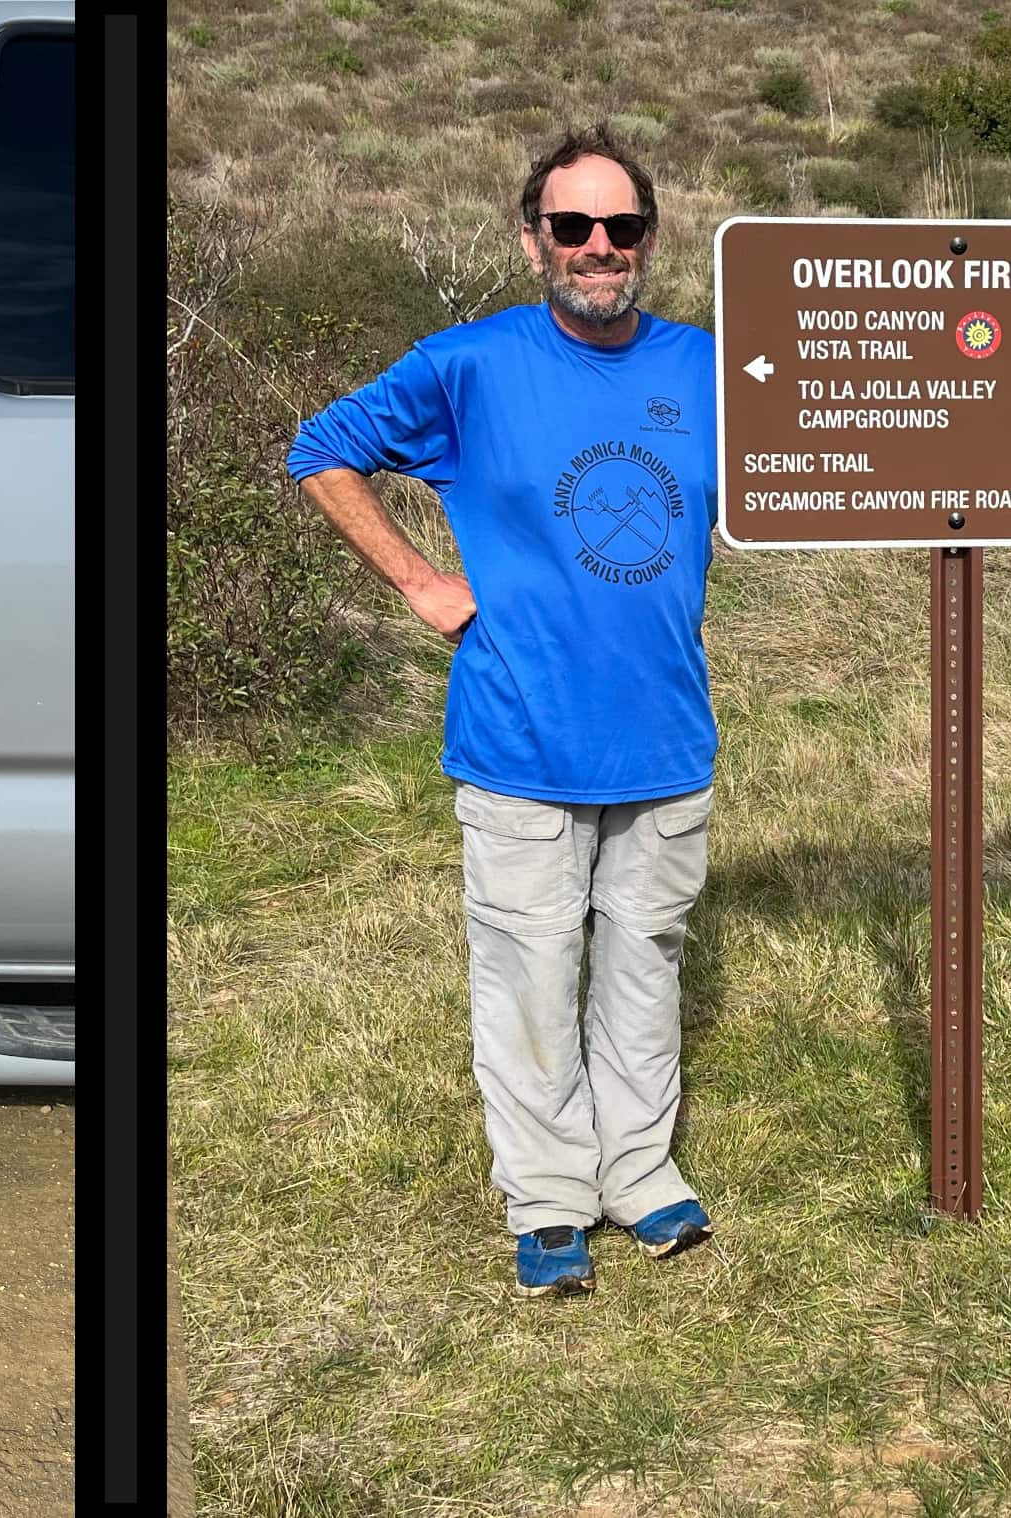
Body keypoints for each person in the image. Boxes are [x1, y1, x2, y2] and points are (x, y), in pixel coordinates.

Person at [283, 129, 723, 1298]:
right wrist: (421, 582)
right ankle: (548, 1199)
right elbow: (322, 448)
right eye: (572, 227)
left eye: (619, 229)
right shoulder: (468, 365)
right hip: (519, 734)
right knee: (530, 975)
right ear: (533, 236)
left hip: (665, 736)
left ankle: (639, 1173)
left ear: (646, 239)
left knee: (643, 964)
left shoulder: (708, 368)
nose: (596, 249)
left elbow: (895, 398)